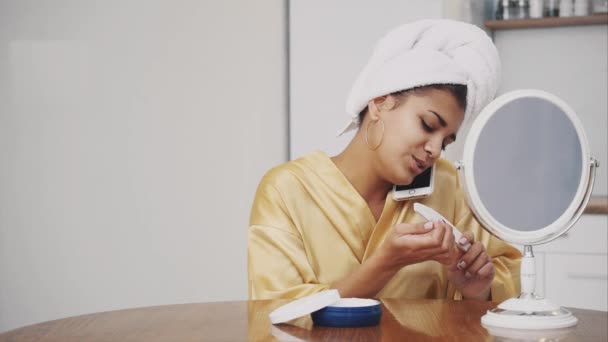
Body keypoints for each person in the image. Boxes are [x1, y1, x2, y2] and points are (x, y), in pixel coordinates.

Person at [248, 19, 521, 302]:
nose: (435, 150)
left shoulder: (447, 183)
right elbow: (275, 313)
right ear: (379, 102)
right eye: (428, 125)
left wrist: (477, 291)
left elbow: (507, 279)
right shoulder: (285, 190)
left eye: (446, 141)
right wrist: (384, 264)